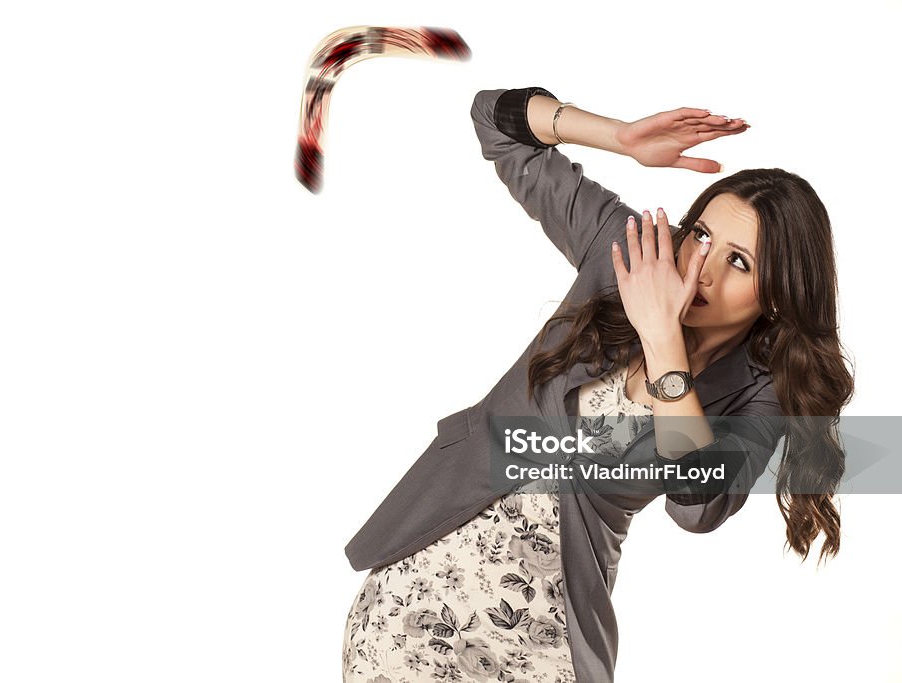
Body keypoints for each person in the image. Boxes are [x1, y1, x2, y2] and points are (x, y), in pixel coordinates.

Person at [341, 86, 853, 683]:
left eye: (740, 262)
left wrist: (663, 341)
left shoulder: (757, 390)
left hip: (548, 638)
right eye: (703, 236)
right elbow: (494, 121)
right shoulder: (627, 252)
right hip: (419, 598)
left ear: (778, 297)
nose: (702, 266)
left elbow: (699, 508)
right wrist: (618, 137)